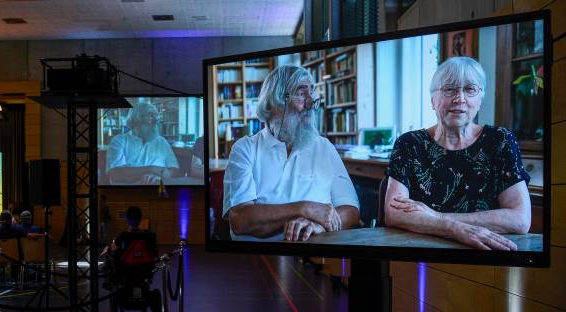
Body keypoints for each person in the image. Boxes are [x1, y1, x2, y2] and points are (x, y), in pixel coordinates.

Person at [384, 56, 530, 251]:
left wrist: (436, 217)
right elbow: (394, 213)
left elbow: (520, 219)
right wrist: (452, 228)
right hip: (421, 255)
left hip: (486, 255)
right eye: (450, 89)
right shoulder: (409, 143)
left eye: (470, 90)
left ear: (479, 99)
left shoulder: (499, 141)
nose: (460, 98)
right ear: (433, 100)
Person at [222, 65, 360, 242]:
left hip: (315, 260)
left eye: (311, 94)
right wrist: (304, 209)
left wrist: (319, 225)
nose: (311, 104)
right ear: (273, 103)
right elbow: (240, 220)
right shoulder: (245, 149)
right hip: (257, 260)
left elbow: (351, 210)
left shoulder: (324, 147)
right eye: (301, 94)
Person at [106, 102, 180, 185]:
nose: (156, 121)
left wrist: (160, 176)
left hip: (157, 189)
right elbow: (115, 174)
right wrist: (151, 169)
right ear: (136, 120)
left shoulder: (161, 141)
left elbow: (174, 169)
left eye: (156, 116)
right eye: (150, 116)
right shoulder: (119, 141)